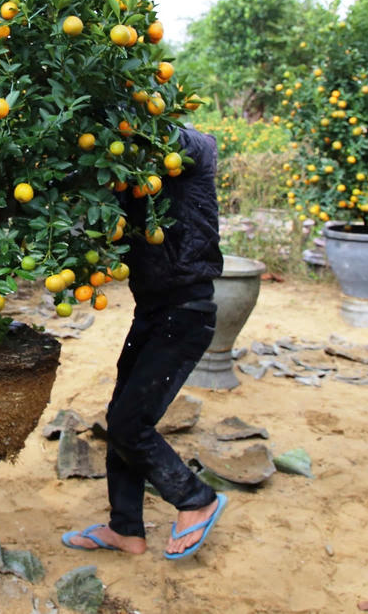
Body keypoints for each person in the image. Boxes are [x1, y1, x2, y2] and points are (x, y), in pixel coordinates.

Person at [62, 126, 227, 560]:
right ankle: (126, 529)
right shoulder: (130, 173)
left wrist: (130, 116)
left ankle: (196, 499)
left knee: (131, 425)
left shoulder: (190, 149)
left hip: (187, 310)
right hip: (153, 310)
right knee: (121, 418)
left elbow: (191, 142)